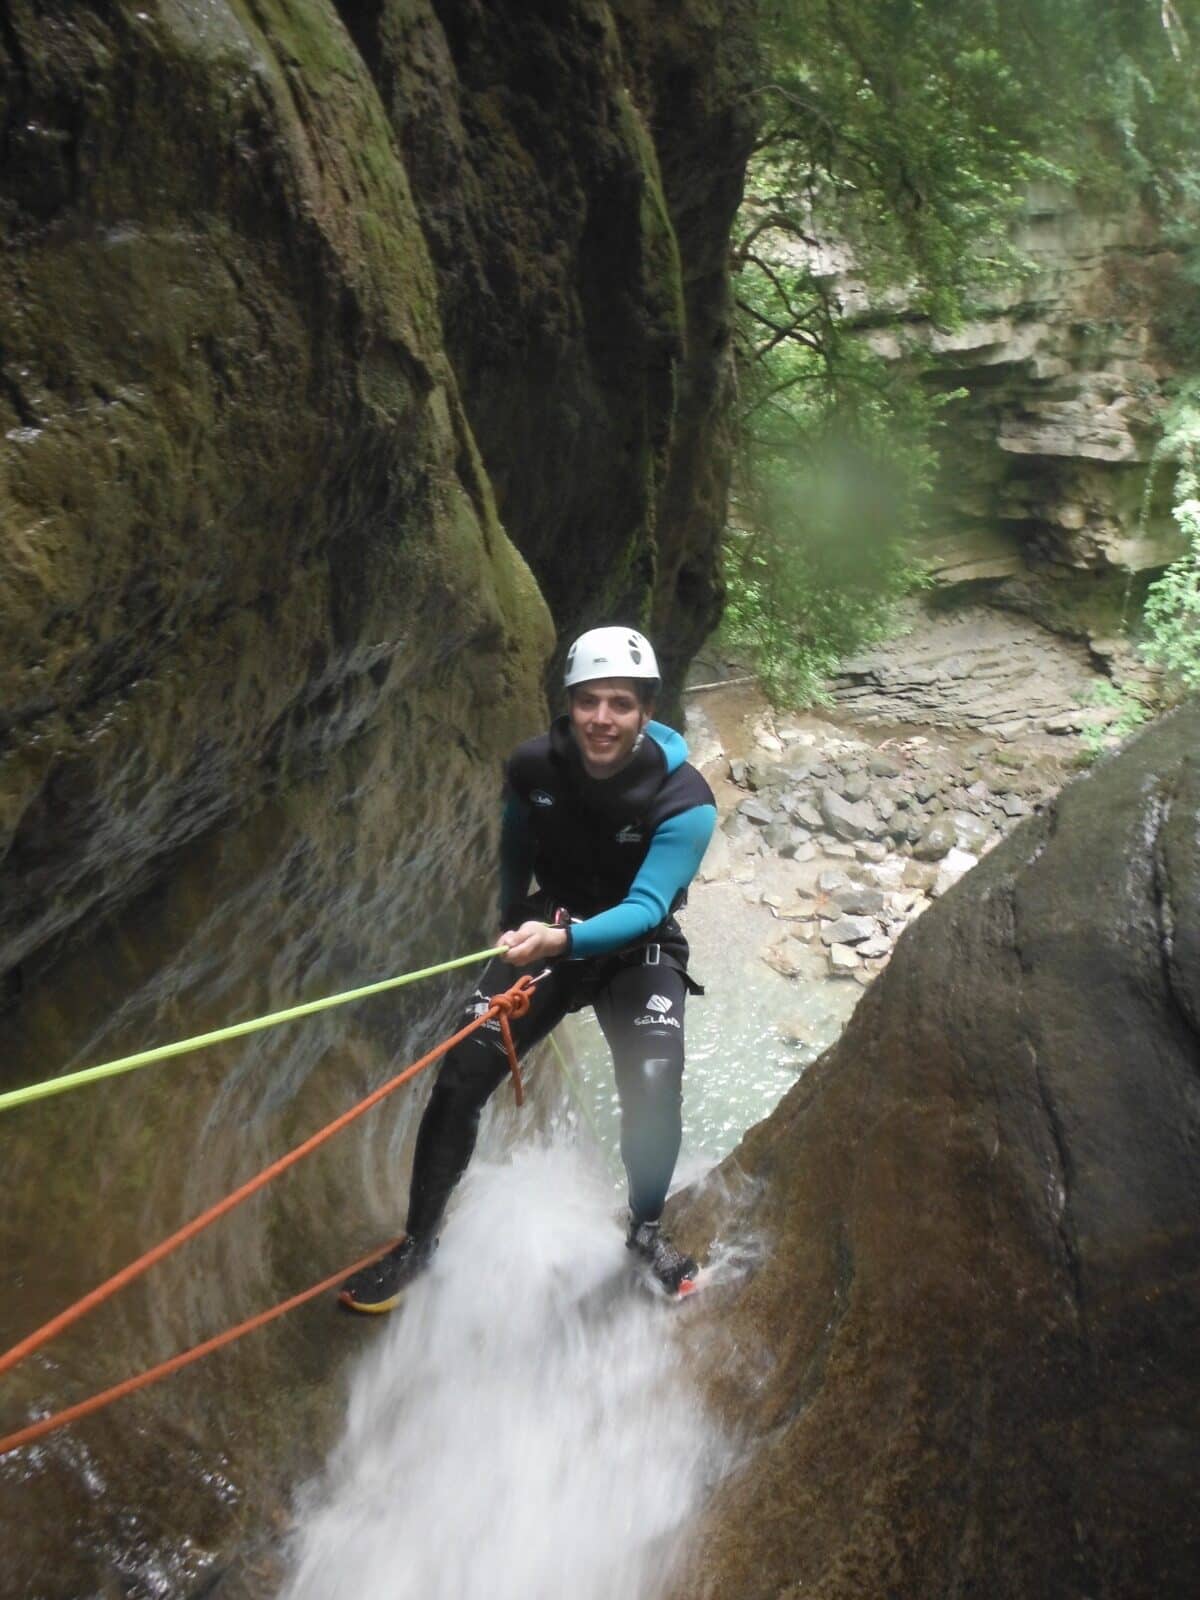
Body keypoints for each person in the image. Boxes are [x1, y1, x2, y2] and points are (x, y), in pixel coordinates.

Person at [340, 626, 717, 1312]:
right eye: (588, 701)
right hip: (551, 926)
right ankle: (418, 1244)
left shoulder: (684, 800)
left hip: (636, 948)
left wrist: (555, 941)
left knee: (655, 1083)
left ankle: (645, 1232)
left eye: (621, 703)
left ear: (647, 710)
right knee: (461, 1071)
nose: (602, 718)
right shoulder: (534, 767)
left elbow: (645, 908)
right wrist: (514, 913)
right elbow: (516, 840)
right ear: (567, 704)